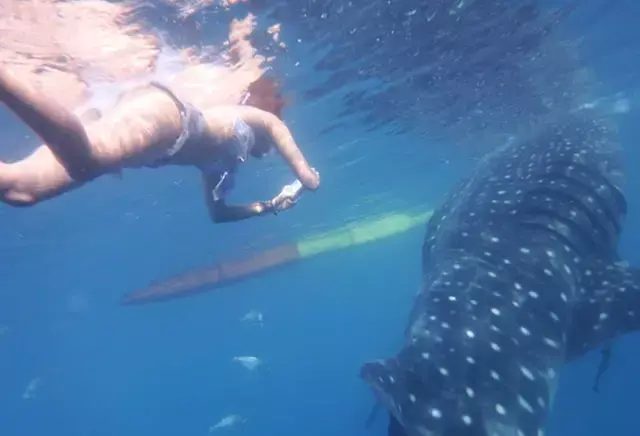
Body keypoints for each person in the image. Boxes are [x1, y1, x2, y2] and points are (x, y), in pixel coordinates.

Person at [0, 67, 320, 222]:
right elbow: (276, 125)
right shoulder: (250, 116)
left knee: (23, 191)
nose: (264, 155)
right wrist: (307, 177)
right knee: (87, 160)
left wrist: (269, 207)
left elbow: (218, 214)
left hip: (155, 131)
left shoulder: (221, 166)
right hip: (171, 118)